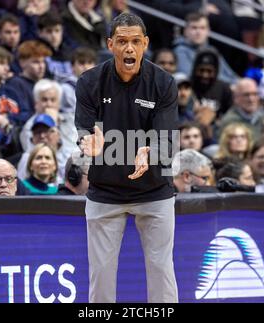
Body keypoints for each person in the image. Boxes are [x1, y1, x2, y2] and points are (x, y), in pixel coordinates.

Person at [75, 13, 178, 303]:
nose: (129, 49)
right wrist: (88, 141)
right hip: (105, 192)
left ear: (145, 43)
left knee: (161, 270)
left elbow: (167, 136)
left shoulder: (163, 82)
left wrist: (151, 152)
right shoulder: (90, 81)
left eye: (135, 42)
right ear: (110, 44)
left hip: (155, 191)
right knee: (101, 274)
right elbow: (83, 128)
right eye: (122, 42)